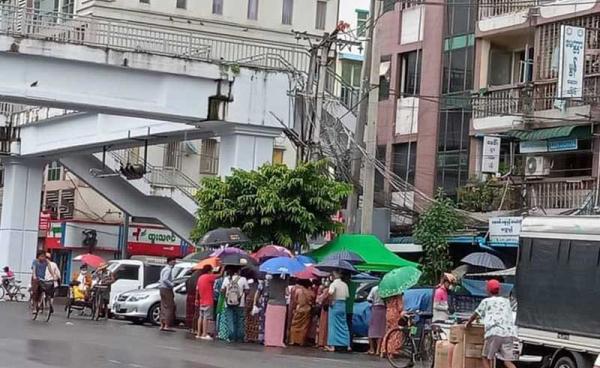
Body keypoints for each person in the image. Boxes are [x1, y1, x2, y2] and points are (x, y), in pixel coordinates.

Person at [466, 279, 518, 368]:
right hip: (509, 333)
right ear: (499, 290)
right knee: (507, 361)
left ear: (488, 290)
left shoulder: (486, 301)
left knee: (485, 357)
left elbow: (476, 314)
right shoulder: (506, 301)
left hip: (494, 332)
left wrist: (468, 322)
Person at [220, 267, 249, 342]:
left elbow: (222, 290)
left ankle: (232, 336)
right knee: (240, 320)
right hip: (240, 303)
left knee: (230, 319)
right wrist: (242, 295)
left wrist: (226, 297)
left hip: (228, 303)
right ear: (239, 271)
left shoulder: (226, 279)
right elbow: (247, 290)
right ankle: (240, 336)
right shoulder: (243, 279)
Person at [325, 271, 350, 352]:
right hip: (343, 305)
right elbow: (347, 296)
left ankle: (332, 345)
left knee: (333, 325)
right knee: (344, 325)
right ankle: (347, 344)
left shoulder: (333, 284)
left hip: (335, 304)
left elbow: (330, 293)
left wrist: (330, 301)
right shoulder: (345, 284)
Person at [288, 279, 316, 346]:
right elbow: (313, 298)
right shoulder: (310, 292)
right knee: (304, 326)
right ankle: (301, 341)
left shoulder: (298, 291)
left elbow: (295, 301)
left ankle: (293, 340)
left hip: (299, 309)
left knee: (294, 325)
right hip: (307, 309)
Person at [264, 273, 288, 347]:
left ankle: (268, 341)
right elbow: (287, 292)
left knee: (270, 324)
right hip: (281, 304)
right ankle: (278, 341)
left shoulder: (269, 282)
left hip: (271, 303)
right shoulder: (284, 282)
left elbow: (266, 294)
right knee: (280, 324)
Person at [196, 265, 219, 340]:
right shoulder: (209, 277)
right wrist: (223, 269)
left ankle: (199, 333)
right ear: (209, 270)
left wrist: (197, 299)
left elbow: (197, 289)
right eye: (211, 270)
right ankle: (204, 334)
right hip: (208, 300)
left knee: (201, 316)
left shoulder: (200, 277)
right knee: (207, 317)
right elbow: (218, 276)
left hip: (201, 299)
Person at [380, 293, 405, 358]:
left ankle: (384, 349)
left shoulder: (387, 296)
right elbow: (400, 307)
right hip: (395, 313)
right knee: (396, 332)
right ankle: (392, 351)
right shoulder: (398, 296)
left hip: (388, 312)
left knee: (388, 332)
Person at [158, 257, 177, 332]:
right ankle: (166, 325)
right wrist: (172, 284)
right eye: (173, 261)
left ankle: (162, 324)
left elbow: (161, 279)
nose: (175, 262)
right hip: (167, 289)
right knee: (169, 306)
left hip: (162, 288)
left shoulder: (164, 269)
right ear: (169, 262)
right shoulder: (168, 269)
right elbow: (165, 279)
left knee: (163, 306)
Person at [367, 285, 386, 355]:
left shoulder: (374, 288)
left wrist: (374, 301)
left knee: (371, 330)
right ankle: (378, 350)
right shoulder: (387, 289)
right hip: (383, 310)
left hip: (375, 309)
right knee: (381, 330)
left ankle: (372, 349)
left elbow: (369, 299)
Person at [186, 269, 202, 334]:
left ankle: (190, 327)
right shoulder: (198, 279)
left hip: (189, 296)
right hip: (195, 297)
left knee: (190, 312)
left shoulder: (189, 279)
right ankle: (195, 328)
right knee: (195, 313)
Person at [315, 280, 330, 349]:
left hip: (325, 309)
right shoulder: (328, 289)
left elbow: (320, 300)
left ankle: (321, 342)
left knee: (323, 326)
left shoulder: (327, 290)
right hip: (328, 309)